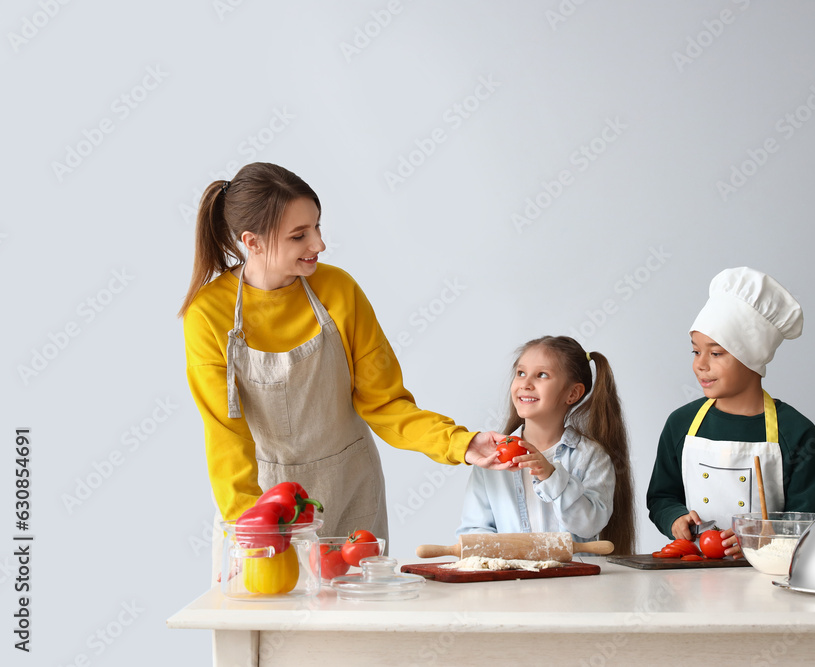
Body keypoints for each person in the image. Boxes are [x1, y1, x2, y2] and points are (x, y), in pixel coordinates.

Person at [178, 162, 504, 572]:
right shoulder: (208, 315)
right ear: (253, 242)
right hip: (268, 506)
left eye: (316, 226)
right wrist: (251, 524)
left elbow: (384, 403)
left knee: (358, 626)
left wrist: (460, 444)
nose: (319, 243)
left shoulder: (339, 290)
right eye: (299, 235)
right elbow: (225, 433)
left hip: (352, 491)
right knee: (274, 624)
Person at [646, 267, 815, 556]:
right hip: (692, 574)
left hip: (766, 580)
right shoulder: (681, 423)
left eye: (716, 353)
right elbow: (662, 497)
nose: (701, 364)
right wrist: (675, 519)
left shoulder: (796, 432)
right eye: (696, 351)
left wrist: (761, 546)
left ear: (751, 357)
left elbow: (805, 523)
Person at [458, 335, 636, 555]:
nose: (525, 383)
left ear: (572, 393)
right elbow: (475, 529)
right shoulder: (491, 457)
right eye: (521, 373)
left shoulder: (590, 457)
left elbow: (590, 524)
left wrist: (552, 477)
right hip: (510, 585)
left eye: (541, 375)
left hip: (575, 586)